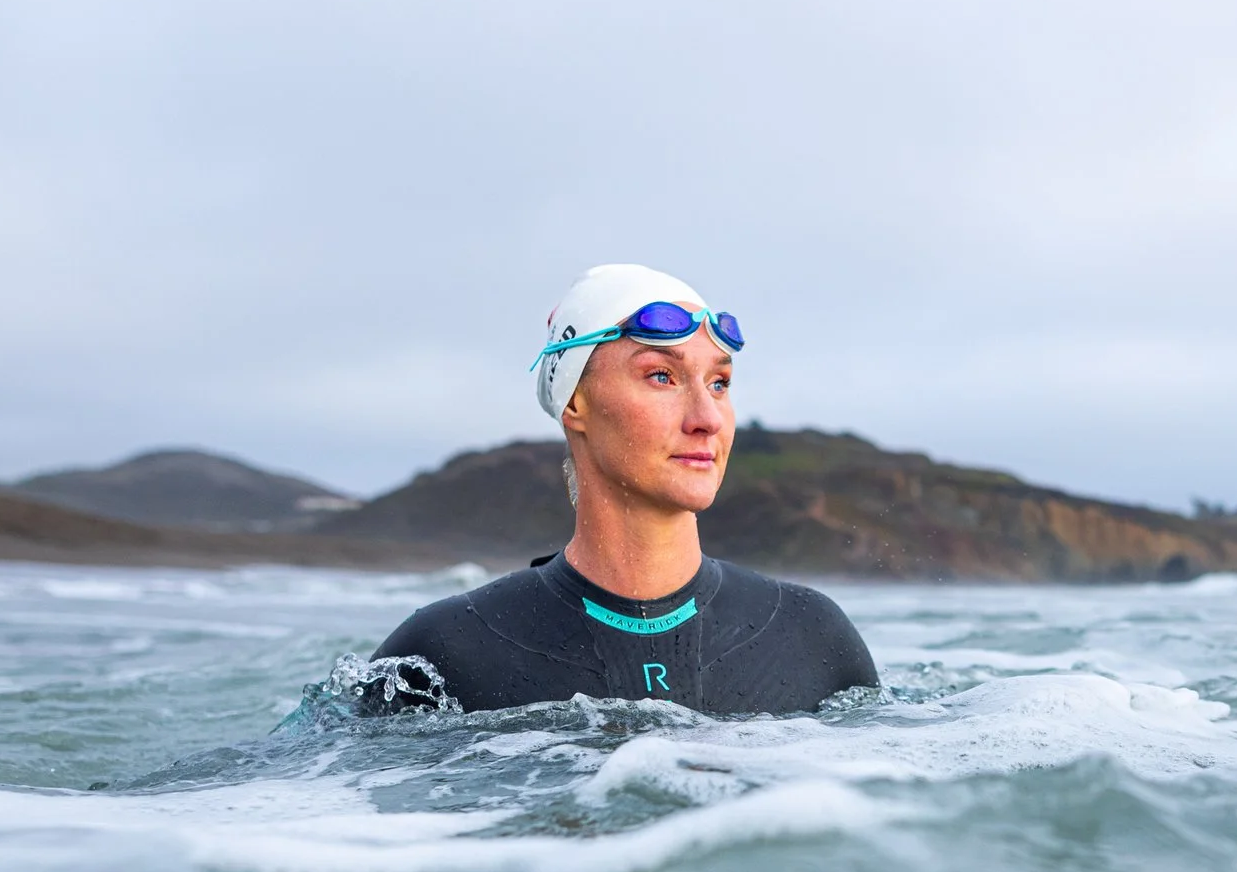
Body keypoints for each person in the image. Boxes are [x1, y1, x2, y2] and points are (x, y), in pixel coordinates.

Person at [366, 264, 878, 716]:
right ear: (576, 404)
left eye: (719, 384)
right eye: (661, 376)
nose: (706, 419)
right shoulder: (442, 656)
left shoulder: (811, 638)